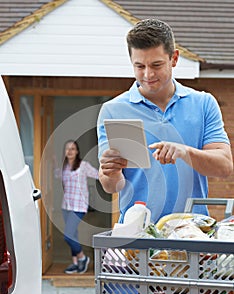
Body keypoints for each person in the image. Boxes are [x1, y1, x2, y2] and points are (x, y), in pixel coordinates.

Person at [97, 18, 233, 224]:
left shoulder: (203, 104)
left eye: (156, 65)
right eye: (139, 66)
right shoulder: (114, 111)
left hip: (193, 233)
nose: (147, 74)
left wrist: (184, 152)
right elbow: (112, 186)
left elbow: (224, 167)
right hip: (137, 235)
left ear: (174, 58)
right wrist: (111, 173)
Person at [55, 140, 99, 274]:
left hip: (79, 205)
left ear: (77, 151)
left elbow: (98, 174)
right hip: (66, 205)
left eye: (73, 148)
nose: (70, 151)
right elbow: (55, 175)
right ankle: (75, 263)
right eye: (67, 149)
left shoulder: (83, 166)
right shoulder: (63, 167)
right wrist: (51, 161)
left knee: (68, 236)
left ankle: (83, 258)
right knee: (73, 234)